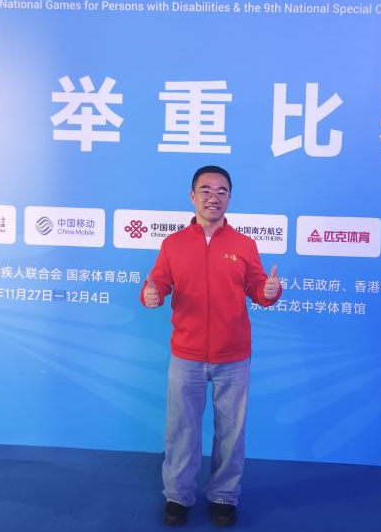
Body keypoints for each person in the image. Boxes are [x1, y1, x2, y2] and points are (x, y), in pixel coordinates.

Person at [140, 165, 282, 527]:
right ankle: (178, 495)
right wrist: (151, 295)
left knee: (231, 432)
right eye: (205, 190)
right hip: (186, 354)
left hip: (233, 355)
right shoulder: (173, 244)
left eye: (221, 191)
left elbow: (258, 289)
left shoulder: (244, 245)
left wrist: (269, 291)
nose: (213, 197)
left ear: (229, 198)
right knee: (181, 429)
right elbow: (157, 284)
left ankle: (224, 495)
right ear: (192, 196)